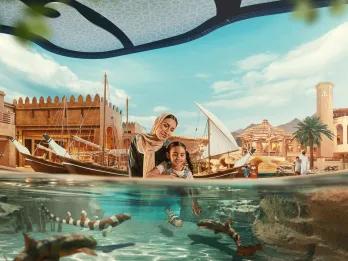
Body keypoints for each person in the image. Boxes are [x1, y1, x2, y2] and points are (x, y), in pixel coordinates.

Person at [147, 141, 202, 218]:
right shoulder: (164, 166)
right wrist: (171, 178)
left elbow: (193, 189)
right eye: (175, 155)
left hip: (178, 202)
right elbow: (149, 176)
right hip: (163, 199)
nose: (178, 157)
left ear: (185, 156)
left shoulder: (188, 173)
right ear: (168, 155)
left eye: (182, 155)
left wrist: (195, 204)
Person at [128, 113, 178, 178]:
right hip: (138, 185)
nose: (167, 132)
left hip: (159, 186)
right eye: (165, 126)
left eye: (171, 130)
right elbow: (133, 169)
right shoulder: (138, 140)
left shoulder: (169, 147)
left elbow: (169, 171)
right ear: (157, 123)